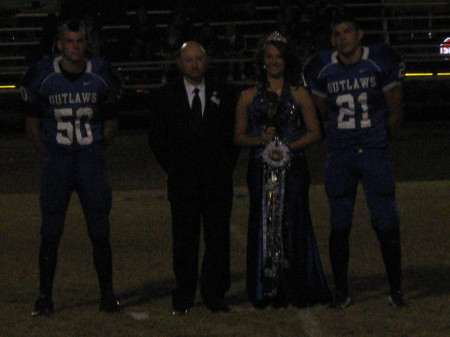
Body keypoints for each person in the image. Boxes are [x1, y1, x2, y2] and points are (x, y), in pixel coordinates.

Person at [302, 15, 406, 309]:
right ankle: (342, 291)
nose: (343, 37)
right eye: (337, 33)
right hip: (341, 152)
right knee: (339, 223)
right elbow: (322, 114)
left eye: (348, 31)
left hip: (373, 150)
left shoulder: (379, 61)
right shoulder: (323, 67)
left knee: (385, 221)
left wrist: (380, 141)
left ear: (359, 34)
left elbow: (395, 111)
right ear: (332, 39)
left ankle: (396, 288)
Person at [21, 19, 123, 316]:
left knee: (100, 230)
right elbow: (31, 126)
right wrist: (51, 153)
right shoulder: (42, 75)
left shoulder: (101, 73)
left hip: (90, 161)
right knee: (51, 230)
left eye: (79, 41)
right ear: (59, 44)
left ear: (85, 44)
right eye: (70, 41)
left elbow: (112, 121)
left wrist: (94, 150)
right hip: (59, 162)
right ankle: (44, 296)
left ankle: (107, 294)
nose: (75, 47)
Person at [234, 32, 331, 309]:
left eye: (278, 57)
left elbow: (315, 132)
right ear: (262, 61)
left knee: (295, 222)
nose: (274, 62)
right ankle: (267, 288)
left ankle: (298, 286)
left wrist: (288, 147)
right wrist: (261, 141)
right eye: (269, 57)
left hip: (294, 169)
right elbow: (238, 136)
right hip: (260, 169)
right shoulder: (247, 96)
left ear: (287, 60)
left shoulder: (300, 94)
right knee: (263, 222)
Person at [148, 41, 239, 315]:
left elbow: (232, 136)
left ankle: (214, 293)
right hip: (183, 182)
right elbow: (157, 139)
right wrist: (175, 169)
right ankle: (184, 294)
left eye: (199, 58)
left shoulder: (225, 92)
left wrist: (223, 169)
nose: (195, 64)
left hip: (216, 181)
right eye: (189, 60)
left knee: (218, 239)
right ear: (179, 62)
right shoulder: (165, 96)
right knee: (184, 240)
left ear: (207, 60)